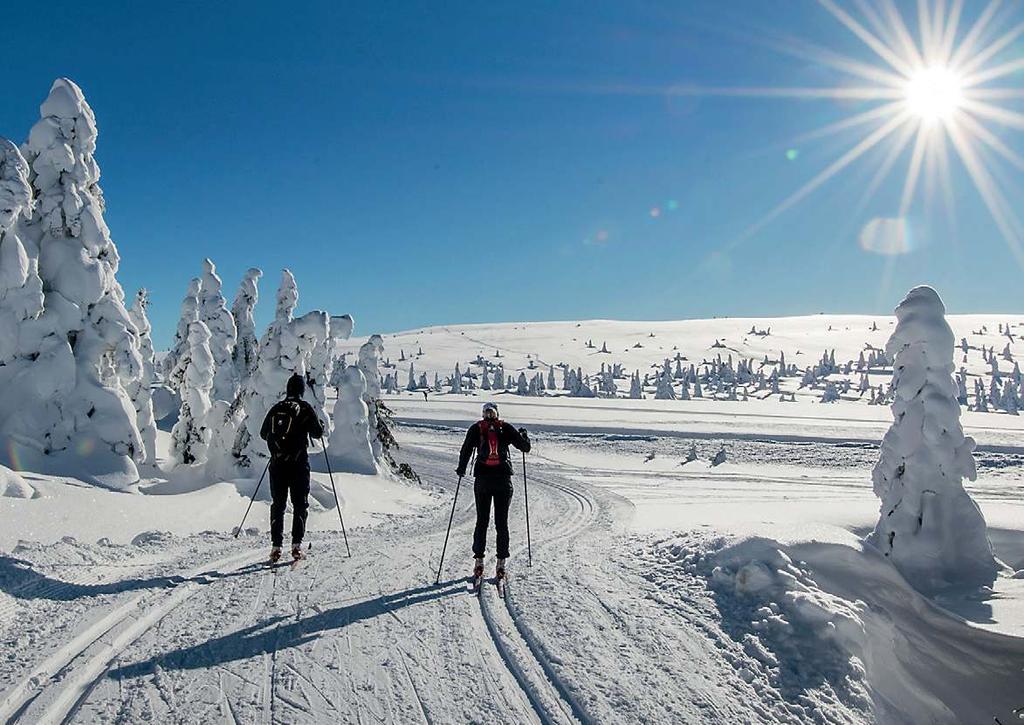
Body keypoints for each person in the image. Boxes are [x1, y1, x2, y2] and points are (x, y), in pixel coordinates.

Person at [456, 402, 531, 583]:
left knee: (482, 521)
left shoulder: (476, 429)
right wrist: (524, 436)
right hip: (503, 481)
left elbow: (466, 450)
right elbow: (525, 448)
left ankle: (479, 561)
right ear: (497, 414)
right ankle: (501, 564)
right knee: (501, 523)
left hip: (482, 480)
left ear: (484, 414)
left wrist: (461, 469)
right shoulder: (504, 428)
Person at [260, 373, 324, 562]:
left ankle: (276, 546)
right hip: (298, 464)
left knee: (278, 505)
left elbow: (263, 433)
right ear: (301, 390)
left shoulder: (277, 408)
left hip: (277, 464)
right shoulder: (305, 408)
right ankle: (296, 546)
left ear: (287, 389)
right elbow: (318, 433)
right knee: (300, 504)